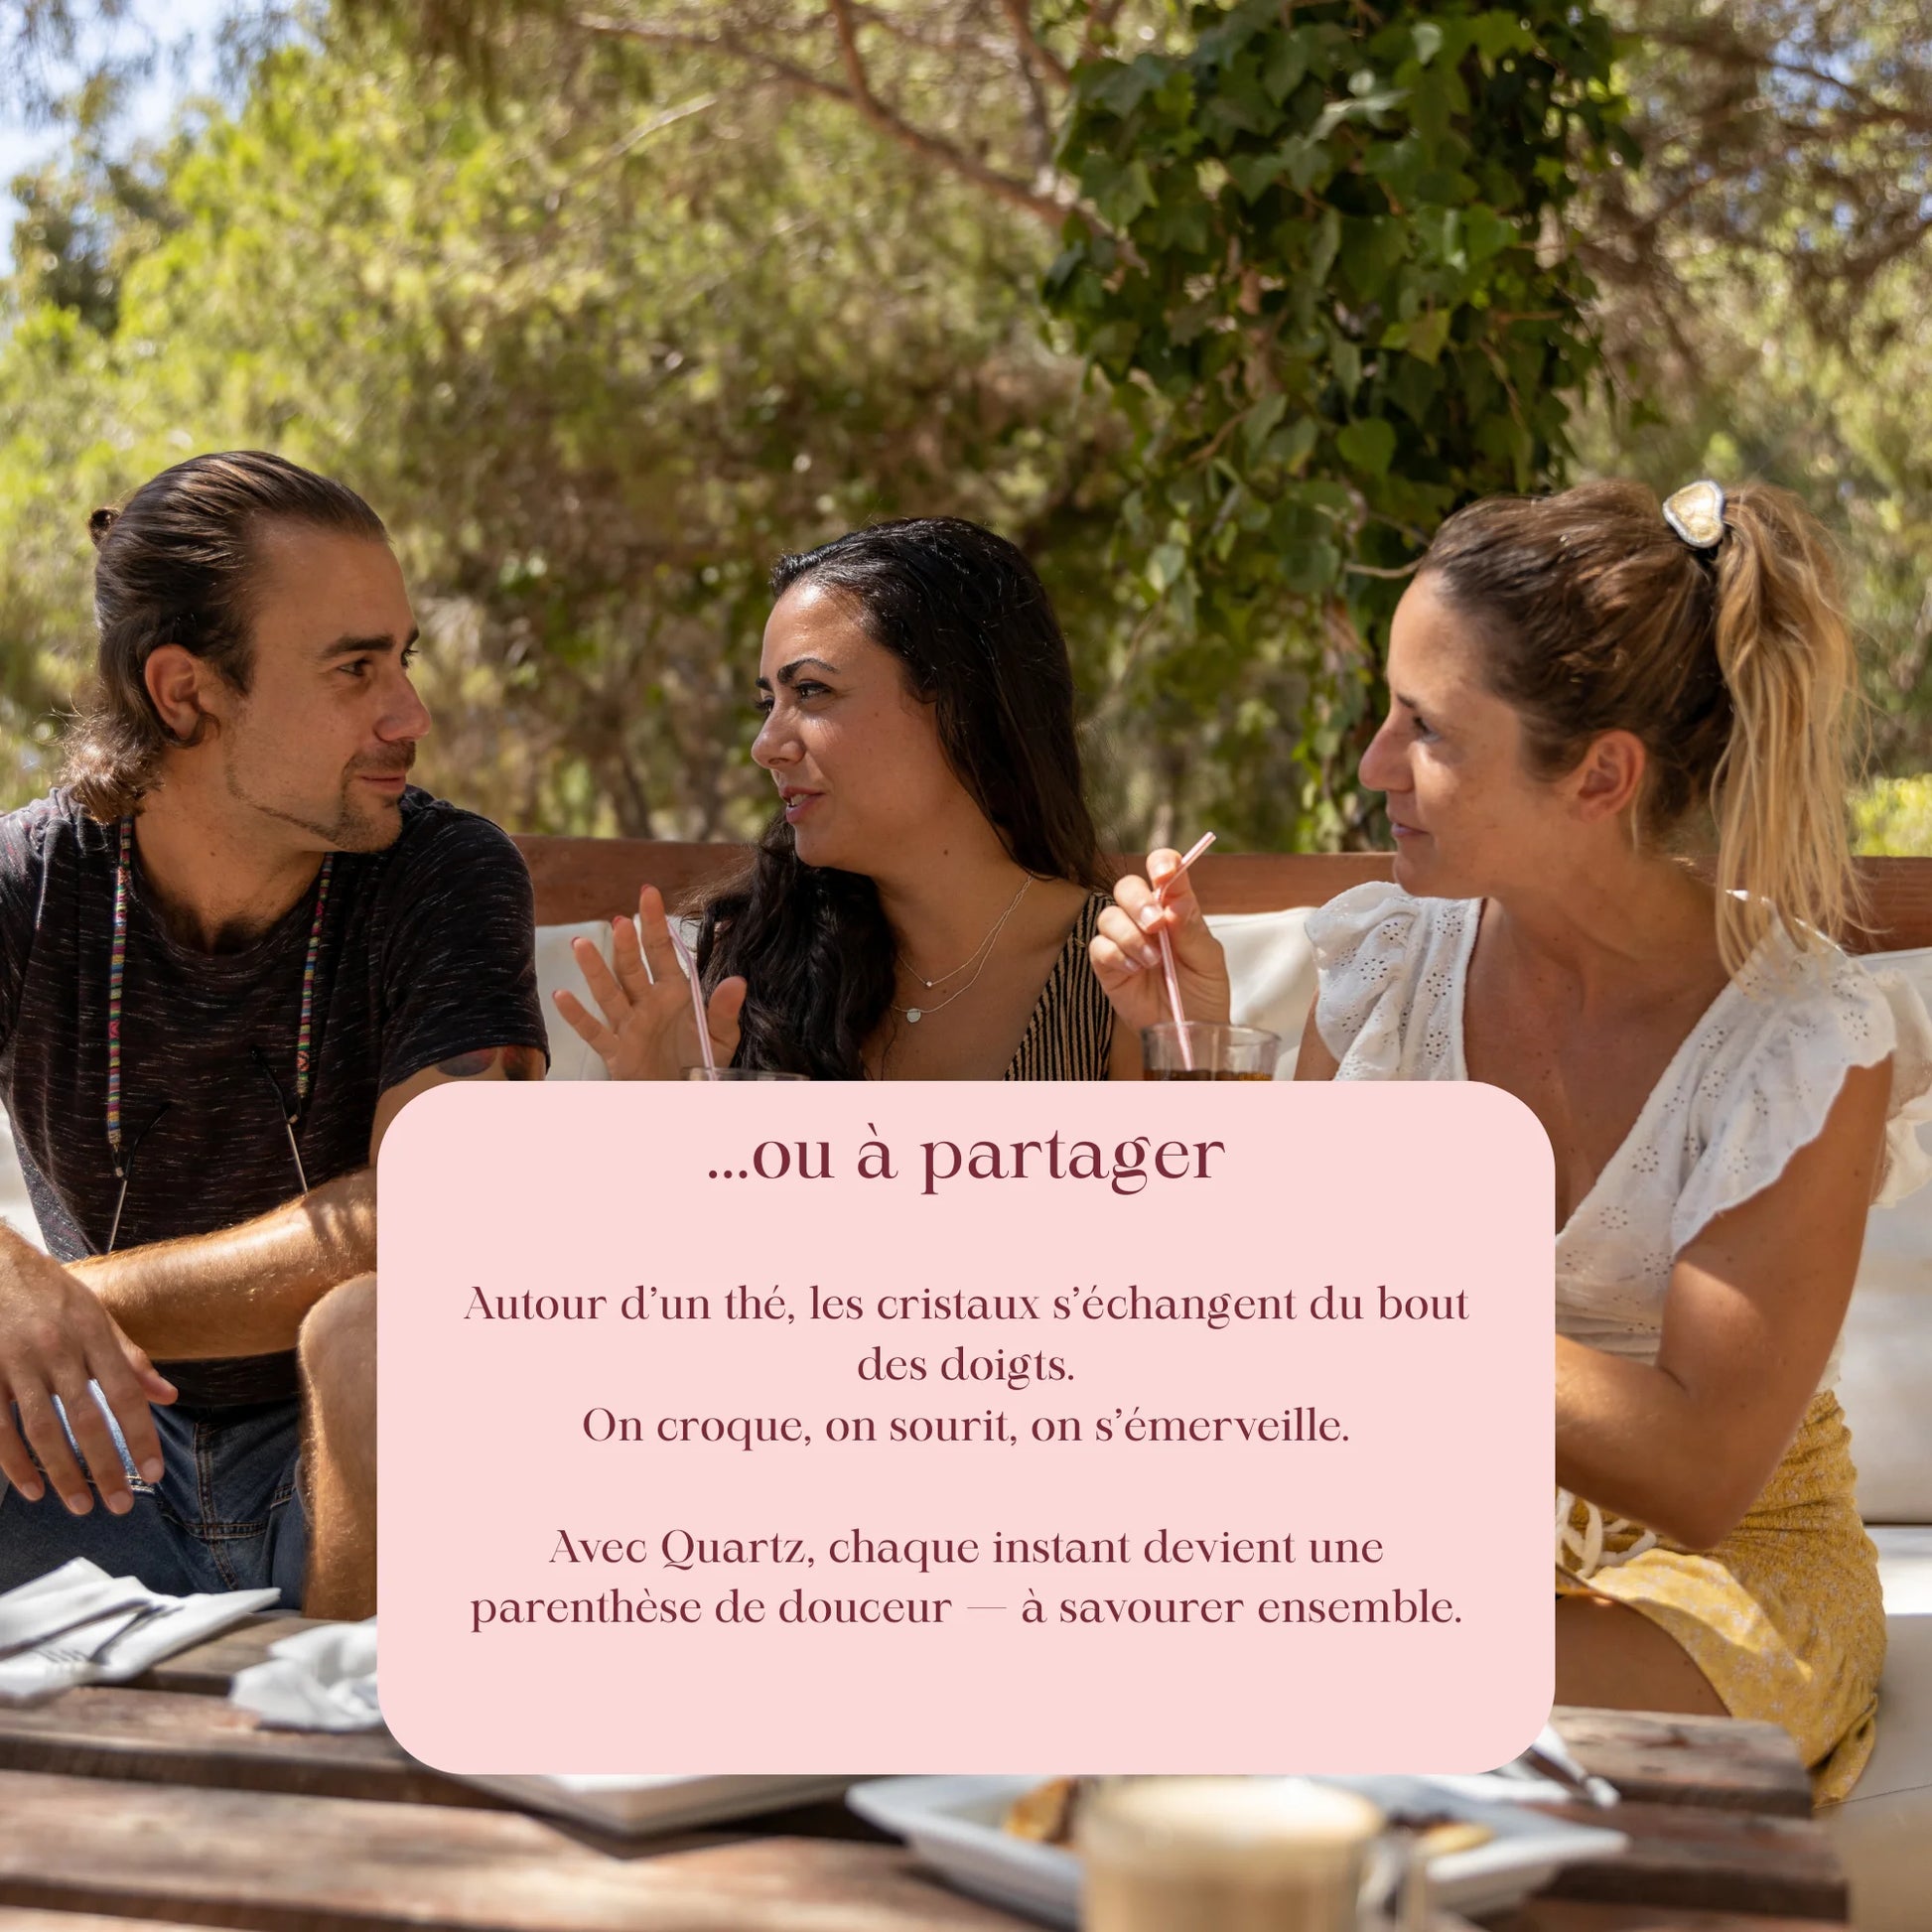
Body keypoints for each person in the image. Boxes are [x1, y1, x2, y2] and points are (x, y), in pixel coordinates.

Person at [1093, 479, 1932, 1801]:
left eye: (1424, 730)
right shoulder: (1385, 961)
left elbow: (1695, 1468)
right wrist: (1189, 1052)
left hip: (1725, 1561)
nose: (1371, 763)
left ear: (1599, 772)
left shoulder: (1799, 1042)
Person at [0, 451, 549, 1618]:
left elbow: (446, 1213)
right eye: (356, 668)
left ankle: (368, 1762)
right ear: (187, 690)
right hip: (80, 1466)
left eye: (402, 658)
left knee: (384, 1331)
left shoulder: (445, 872)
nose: (410, 712)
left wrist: (63, 1296)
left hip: (348, 1473)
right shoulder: (27, 885)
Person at [557, 516, 1127, 1080]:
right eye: (768, 704)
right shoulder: (745, 973)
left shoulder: (1125, 978)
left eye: (811, 691)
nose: (766, 746)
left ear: (962, 707)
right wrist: (659, 1108)